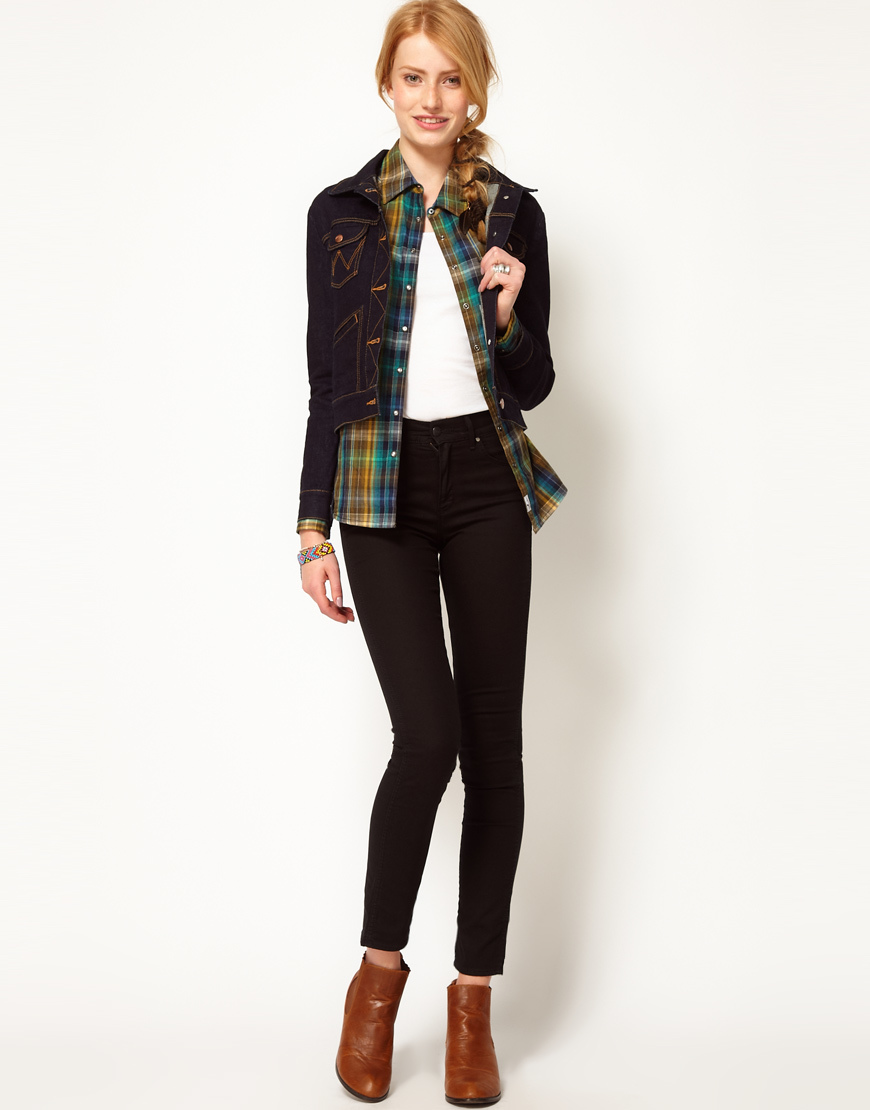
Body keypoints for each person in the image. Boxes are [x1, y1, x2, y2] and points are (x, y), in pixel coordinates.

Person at [296, 1, 566, 1102]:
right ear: (388, 85)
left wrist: (508, 313)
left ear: (474, 91)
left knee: (494, 749)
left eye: (450, 79)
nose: (431, 98)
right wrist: (310, 527)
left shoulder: (513, 212)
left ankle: (472, 1006)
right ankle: (376, 982)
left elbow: (535, 381)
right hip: (380, 489)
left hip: (487, 483)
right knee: (428, 739)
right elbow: (326, 381)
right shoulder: (341, 213)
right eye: (414, 76)